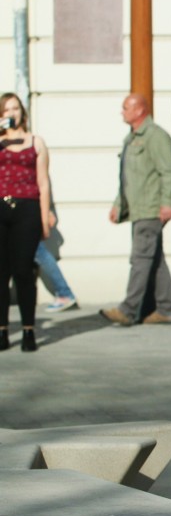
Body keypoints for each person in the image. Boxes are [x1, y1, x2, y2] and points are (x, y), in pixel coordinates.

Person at [100, 93, 171, 326]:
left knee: (140, 258)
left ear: (139, 110)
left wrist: (167, 203)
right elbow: (127, 178)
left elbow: (167, 172)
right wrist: (118, 205)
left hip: (150, 209)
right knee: (154, 259)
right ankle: (166, 308)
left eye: (126, 108)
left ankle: (128, 309)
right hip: (137, 209)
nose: (122, 112)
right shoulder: (131, 138)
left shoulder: (155, 136)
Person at [0, 93, 51, 352]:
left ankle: (29, 330)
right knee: (1, 272)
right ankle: (2, 330)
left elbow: (43, 182)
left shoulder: (36, 142)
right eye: (7, 109)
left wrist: (45, 217)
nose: (12, 113)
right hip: (0, 206)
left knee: (22, 271)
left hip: (27, 207)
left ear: (23, 112)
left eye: (16, 108)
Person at [37, 210, 78, 313]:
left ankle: (65, 294)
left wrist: (47, 212)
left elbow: (43, 193)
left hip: (23, 210)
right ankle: (65, 293)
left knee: (39, 251)